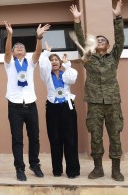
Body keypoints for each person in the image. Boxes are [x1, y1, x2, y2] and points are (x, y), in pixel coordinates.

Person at [69, 0, 124, 181]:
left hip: (112, 103)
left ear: (108, 45)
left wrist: (117, 17)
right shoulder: (88, 58)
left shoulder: (113, 57)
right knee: (96, 136)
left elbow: (120, 38)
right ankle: (98, 168)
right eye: (97, 40)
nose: (100, 41)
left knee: (115, 136)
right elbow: (82, 40)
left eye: (103, 40)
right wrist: (77, 21)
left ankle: (116, 170)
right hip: (94, 102)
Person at [3, 21, 50, 181]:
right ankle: (19, 168)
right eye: (16, 47)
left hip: (30, 104)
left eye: (22, 46)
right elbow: (7, 52)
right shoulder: (9, 64)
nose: (19, 47)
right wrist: (10, 35)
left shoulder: (30, 63)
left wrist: (39, 37)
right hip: (14, 106)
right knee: (17, 139)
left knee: (34, 137)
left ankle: (34, 164)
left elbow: (37, 53)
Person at [39, 42, 80, 178]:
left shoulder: (66, 73)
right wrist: (46, 53)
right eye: (51, 60)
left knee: (71, 139)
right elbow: (42, 65)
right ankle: (57, 170)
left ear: (60, 62)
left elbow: (72, 79)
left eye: (56, 60)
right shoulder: (46, 75)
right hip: (52, 108)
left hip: (67, 107)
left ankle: (72, 170)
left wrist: (67, 65)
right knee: (55, 139)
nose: (54, 62)